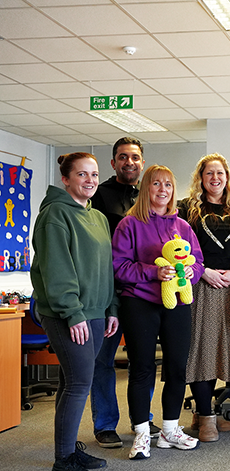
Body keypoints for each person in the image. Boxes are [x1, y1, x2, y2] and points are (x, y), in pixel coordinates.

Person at [30, 152, 119, 471]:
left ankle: (69, 448)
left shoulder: (95, 217)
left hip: (96, 313)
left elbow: (105, 270)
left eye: (94, 175)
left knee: (73, 383)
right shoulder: (55, 215)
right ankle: (62, 461)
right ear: (65, 179)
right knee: (80, 383)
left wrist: (111, 308)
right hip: (68, 315)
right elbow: (57, 271)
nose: (90, 181)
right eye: (82, 175)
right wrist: (73, 314)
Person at [112, 165, 204, 460]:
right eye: (156, 184)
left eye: (168, 184)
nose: (162, 189)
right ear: (145, 189)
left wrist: (192, 271)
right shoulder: (129, 224)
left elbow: (198, 263)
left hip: (176, 304)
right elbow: (119, 267)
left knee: (178, 367)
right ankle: (141, 433)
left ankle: (170, 430)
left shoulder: (184, 226)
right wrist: (154, 271)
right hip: (140, 303)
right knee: (142, 368)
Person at [89, 137, 159, 448]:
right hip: (109, 292)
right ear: (113, 163)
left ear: (142, 162)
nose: (129, 162)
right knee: (103, 360)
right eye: (122, 157)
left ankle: (141, 420)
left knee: (142, 362)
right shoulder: (99, 195)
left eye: (134, 157)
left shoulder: (149, 195)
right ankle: (105, 424)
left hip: (143, 293)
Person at [179, 154, 230, 442]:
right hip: (200, 286)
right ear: (201, 178)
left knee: (224, 350)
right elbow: (179, 247)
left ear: (227, 177)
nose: (215, 178)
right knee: (201, 352)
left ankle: (204, 413)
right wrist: (203, 271)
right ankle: (207, 417)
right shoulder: (186, 209)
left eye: (220, 173)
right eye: (209, 174)